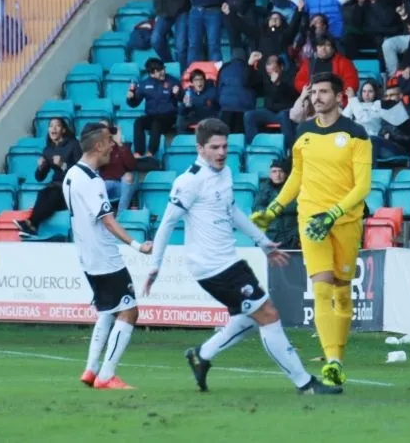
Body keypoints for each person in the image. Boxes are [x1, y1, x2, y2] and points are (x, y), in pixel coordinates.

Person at [143, 119, 341, 396]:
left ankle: (201, 355)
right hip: (211, 267)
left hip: (229, 260)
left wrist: (262, 241)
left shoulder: (225, 173)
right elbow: (166, 224)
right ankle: (305, 383)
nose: (222, 152)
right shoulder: (189, 181)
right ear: (200, 148)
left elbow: (232, 211)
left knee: (250, 317)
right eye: (215, 147)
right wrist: (155, 266)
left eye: (225, 146)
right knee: (268, 313)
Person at [251, 73, 372, 389]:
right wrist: (273, 209)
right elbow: (296, 177)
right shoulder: (303, 132)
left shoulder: (356, 134)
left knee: (342, 292)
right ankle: (331, 361)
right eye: (313, 92)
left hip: (345, 221)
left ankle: (338, 356)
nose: (316, 97)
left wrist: (333, 214)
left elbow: (362, 187)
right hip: (311, 220)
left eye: (323, 92)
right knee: (321, 288)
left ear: (339, 96)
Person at [62, 122, 153, 390]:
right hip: (104, 257)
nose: (113, 146)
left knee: (107, 310)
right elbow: (108, 221)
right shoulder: (93, 181)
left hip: (87, 255)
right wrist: (138, 246)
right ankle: (107, 375)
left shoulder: (71, 175)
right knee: (129, 311)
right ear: (99, 145)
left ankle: (91, 370)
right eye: (109, 142)